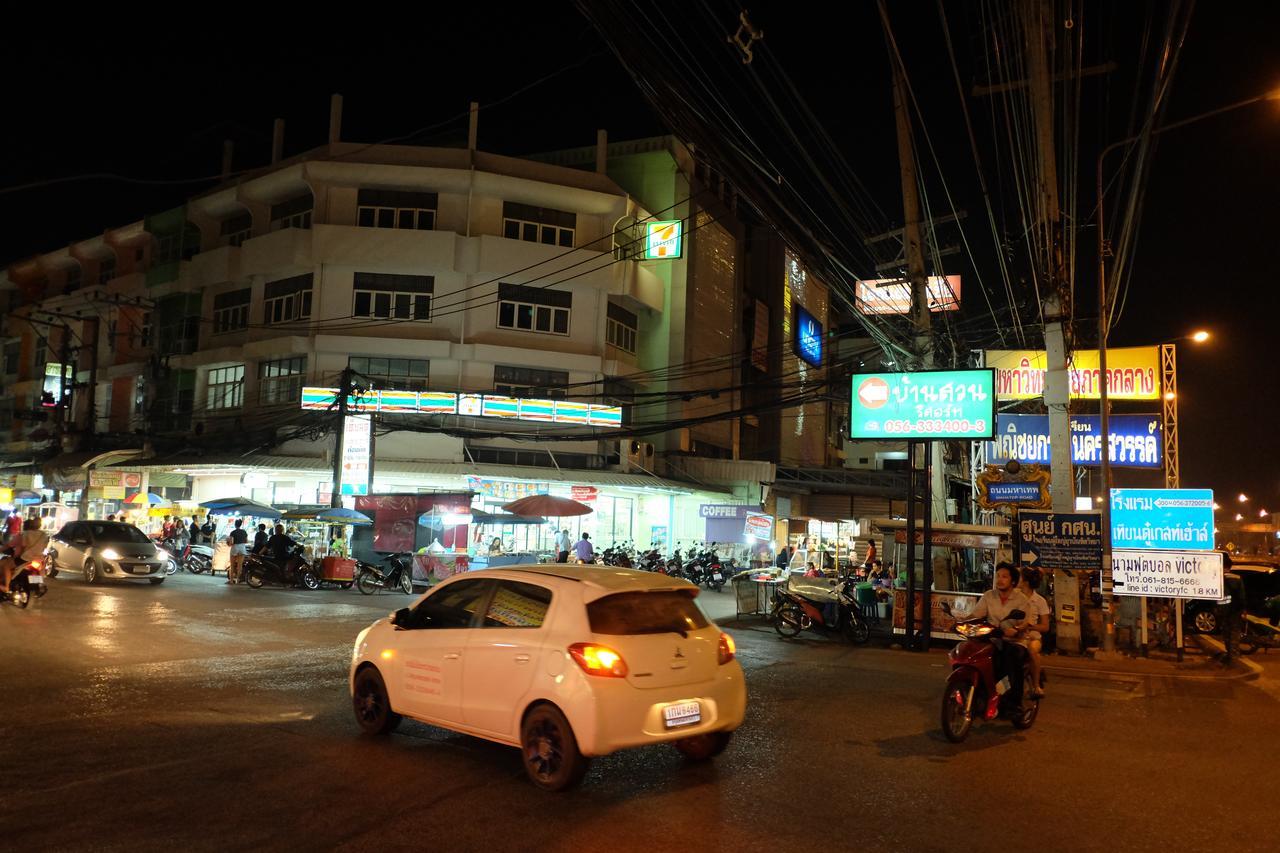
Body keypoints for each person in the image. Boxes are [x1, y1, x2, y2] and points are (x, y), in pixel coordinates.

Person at [967, 563, 1032, 704]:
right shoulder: (989, 596)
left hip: (1014, 641)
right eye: (998, 576)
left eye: (1004, 577)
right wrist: (960, 621)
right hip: (992, 638)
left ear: (1013, 581)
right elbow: (976, 614)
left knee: (1010, 659)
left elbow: (1026, 622)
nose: (1000, 580)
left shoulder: (1021, 599)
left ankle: (1015, 702)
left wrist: (1016, 629)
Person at [1016, 566, 1050, 697]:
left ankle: (1036, 686)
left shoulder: (1040, 601)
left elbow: (1045, 626)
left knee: (1032, 650)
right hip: (1015, 634)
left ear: (1025, 582)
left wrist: (1030, 627)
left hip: (1032, 636)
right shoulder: (1014, 597)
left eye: (1019, 577)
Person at [0, 518, 50, 595]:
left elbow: (9, 545)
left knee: (6, 565)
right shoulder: (43, 535)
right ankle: (39, 584)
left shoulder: (24, 534)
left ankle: (6, 586)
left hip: (25, 558)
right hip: (39, 558)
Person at [226, 518, 249, 585]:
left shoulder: (233, 532)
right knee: (240, 565)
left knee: (232, 565)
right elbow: (246, 541)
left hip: (235, 547)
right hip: (242, 547)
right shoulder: (244, 532)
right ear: (241, 524)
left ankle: (231, 580)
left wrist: (228, 542)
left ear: (235, 525)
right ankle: (238, 580)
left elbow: (231, 543)